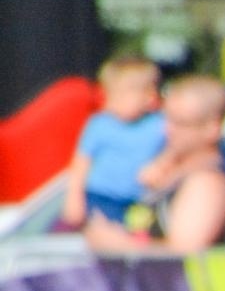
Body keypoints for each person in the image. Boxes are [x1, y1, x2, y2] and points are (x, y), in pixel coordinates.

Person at [83, 75, 225, 256]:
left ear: (212, 128)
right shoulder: (168, 173)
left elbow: (183, 255)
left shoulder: (207, 183)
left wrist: (118, 244)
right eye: (166, 119)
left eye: (180, 123)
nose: (167, 130)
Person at [62, 54, 165, 228]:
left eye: (122, 95)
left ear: (149, 96)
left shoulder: (160, 125)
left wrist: (161, 165)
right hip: (101, 197)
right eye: (110, 95)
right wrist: (74, 200)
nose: (111, 102)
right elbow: (81, 164)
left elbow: (175, 152)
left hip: (140, 201)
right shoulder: (99, 124)